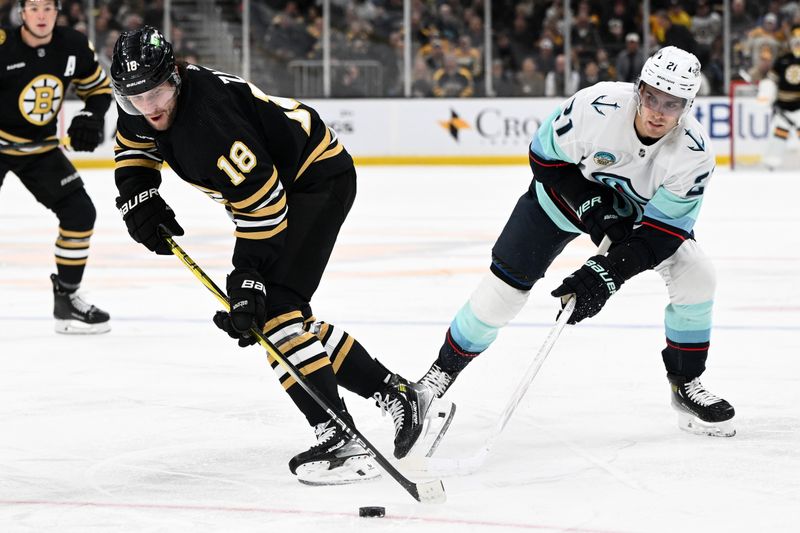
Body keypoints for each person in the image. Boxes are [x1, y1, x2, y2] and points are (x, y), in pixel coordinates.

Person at [108, 26, 453, 485]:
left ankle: (340, 436)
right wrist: (139, 193)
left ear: (174, 75)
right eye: (134, 98)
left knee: (275, 314)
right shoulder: (139, 105)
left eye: (155, 93)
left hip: (314, 180)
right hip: (281, 188)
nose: (148, 108)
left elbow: (265, 206)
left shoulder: (210, 121)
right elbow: (133, 147)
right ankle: (398, 395)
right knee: (281, 316)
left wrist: (248, 276)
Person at [417, 46, 736, 438]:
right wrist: (591, 205)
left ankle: (685, 383)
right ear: (638, 88)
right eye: (651, 96)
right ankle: (439, 374)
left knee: (697, 274)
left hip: (635, 221)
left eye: (671, 104)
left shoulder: (694, 154)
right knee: (505, 289)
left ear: (688, 106)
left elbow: (663, 233)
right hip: (559, 201)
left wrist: (608, 273)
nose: (657, 111)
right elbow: (543, 159)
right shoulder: (595, 106)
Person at [0, 0, 111, 334]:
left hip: (40, 149)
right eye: (34, 8)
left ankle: (66, 300)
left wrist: (92, 114)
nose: (41, 15)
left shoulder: (72, 46)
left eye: (48, 8)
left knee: (80, 213)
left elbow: (99, 89)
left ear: (57, 11)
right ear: (22, 12)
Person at [758, 28, 800, 171]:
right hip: (783, 106)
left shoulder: (783, 59)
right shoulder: (782, 60)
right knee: (779, 135)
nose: (798, 46)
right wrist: (766, 95)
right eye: (796, 43)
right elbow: (771, 81)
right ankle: (772, 162)